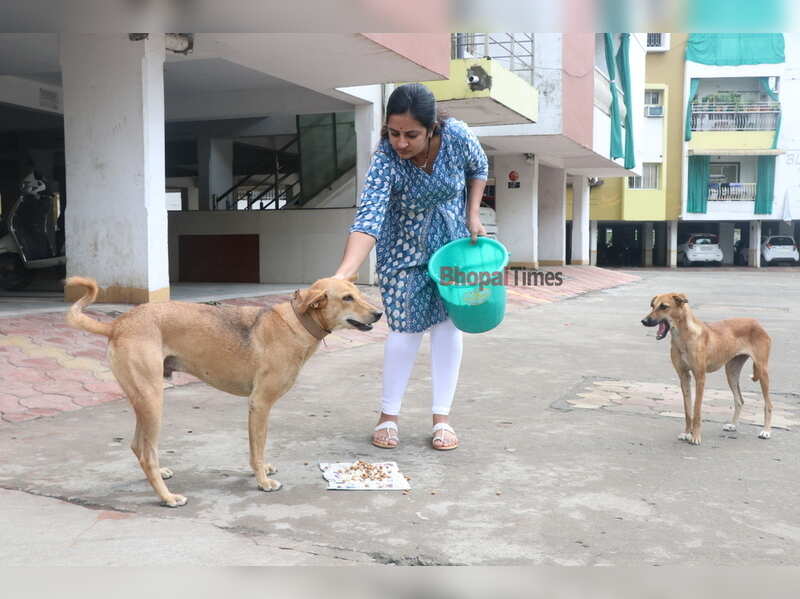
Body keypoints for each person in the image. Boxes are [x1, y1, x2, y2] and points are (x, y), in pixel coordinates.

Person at [333, 83, 488, 451]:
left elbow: (479, 166)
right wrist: (345, 272)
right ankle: (388, 416)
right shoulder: (386, 159)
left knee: (449, 326)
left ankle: (442, 418)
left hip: (452, 247)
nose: (400, 143)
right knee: (404, 329)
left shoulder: (457, 136)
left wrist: (473, 214)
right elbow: (368, 217)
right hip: (402, 252)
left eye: (411, 135)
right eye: (393, 132)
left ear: (432, 128)